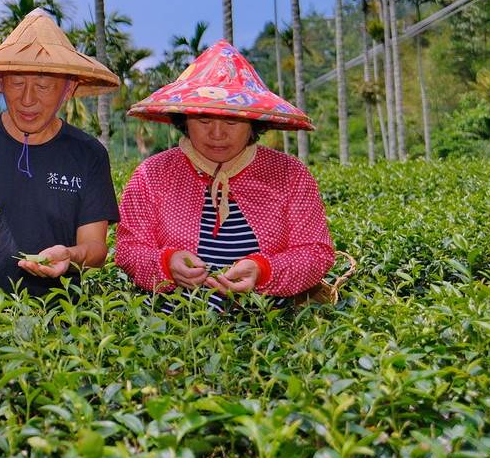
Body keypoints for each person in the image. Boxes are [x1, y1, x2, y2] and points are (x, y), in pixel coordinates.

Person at [114, 40, 335, 313]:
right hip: (171, 333)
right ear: (184, 120)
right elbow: (128, 249)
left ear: (253, 122)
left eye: (231, 122)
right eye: (204, 121)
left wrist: (264, 271)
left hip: (268, 335)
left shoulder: (290, 174)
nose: (217, 134)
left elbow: (315, 252)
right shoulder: (153, 174)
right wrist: (166, 263)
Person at [0, 9, 121, 301]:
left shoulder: (89, 154)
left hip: (59, 325)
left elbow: (95, 248)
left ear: (68, 89)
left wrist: (68, 255)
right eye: (17, 83)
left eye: (43, 86)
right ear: (1, 82)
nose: (28, 99)